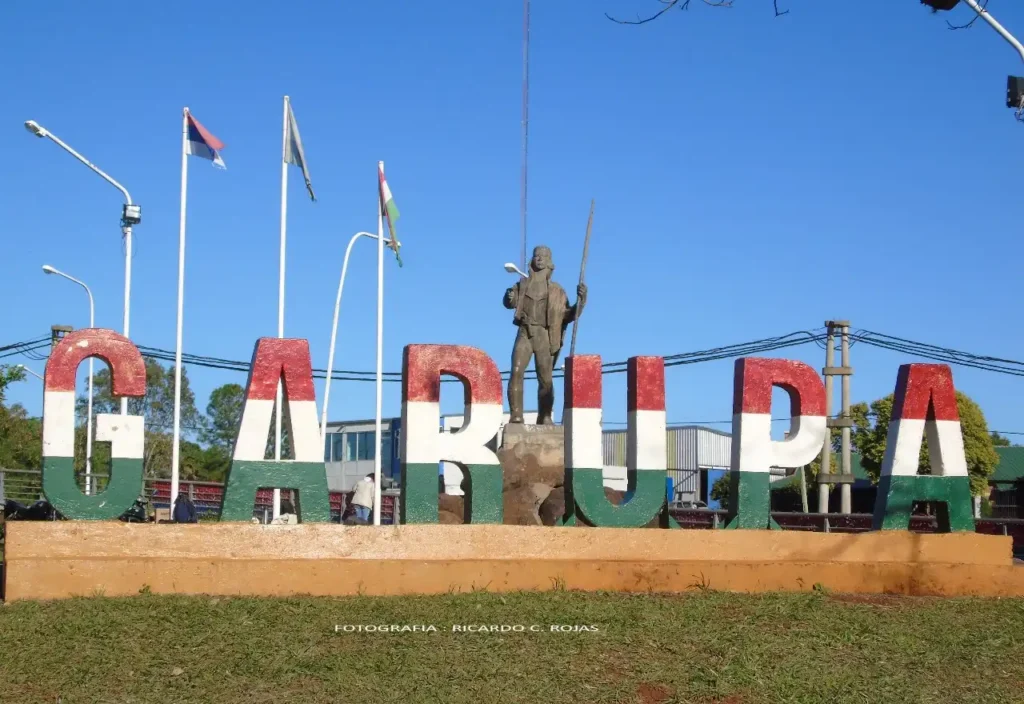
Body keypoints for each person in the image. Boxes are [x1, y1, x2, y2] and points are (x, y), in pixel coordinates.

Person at [503, 245, 587, 424]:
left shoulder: (557, 291)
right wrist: (509, 297)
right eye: (536, 255)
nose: (539, 258)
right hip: (525, 332)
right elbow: (509, 303)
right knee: (516, 372)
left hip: (544, 335)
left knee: (545, 379)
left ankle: (545, 416)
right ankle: (516, 416)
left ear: (550, 262)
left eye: (543, 256)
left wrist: (581, 301)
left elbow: (568, 315)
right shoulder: (522, 285)